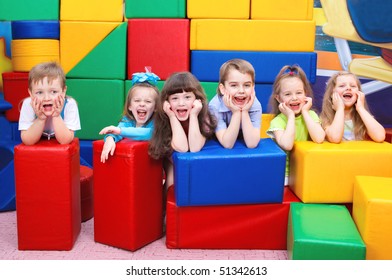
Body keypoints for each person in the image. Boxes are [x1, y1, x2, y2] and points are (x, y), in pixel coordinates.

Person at [148, 71, 217, 188]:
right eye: (174, 98)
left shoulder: (203, 115)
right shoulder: (165, 117)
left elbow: (194, 148)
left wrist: (194, 115)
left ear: (197, 99)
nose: (181, 103)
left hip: (197, 159)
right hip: (172, 158)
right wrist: (171, 116)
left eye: (187, 97)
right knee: (172, 183)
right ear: (167, 102)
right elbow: (182, 148)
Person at [267, 65, 325, 183]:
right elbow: (287, 145)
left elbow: (319, 138)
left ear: (305, 94)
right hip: (285, 175)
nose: (294, 98)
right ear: (278, 98)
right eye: (288, 94)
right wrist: (291, 116)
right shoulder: (277, 121)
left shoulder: (311, 115)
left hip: (306, 172)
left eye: (299, 93)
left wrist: (304, 111)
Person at [99, 71, 160, 163]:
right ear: (129, 106)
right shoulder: (127, 120)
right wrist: (110, 138)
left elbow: (148, 133)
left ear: (155, 107)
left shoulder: (156, 122)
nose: (142, 104)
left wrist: (119, 131)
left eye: (148, 101)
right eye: (137, 100)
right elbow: (118, 131)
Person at [18, 62, 80, 145]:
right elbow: (27, 141)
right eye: (40, 92)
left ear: (63, 91)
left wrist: (57, 116)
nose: (46, 98)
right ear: (31, 93)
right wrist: (40, 119)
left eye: (53, 92)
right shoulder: (28, 104)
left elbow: (65, 140)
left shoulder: (69, 104)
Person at [208, 58, 261, 149]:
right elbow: (228, 144)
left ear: (253, 87)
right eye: (234, 85)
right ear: (223, 89)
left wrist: (244, 111)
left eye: (247, 85)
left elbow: (252, 144)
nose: (241, 91)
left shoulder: (254, 104)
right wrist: (236, 113)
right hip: (218, 141)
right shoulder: (215, 106)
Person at [320, 71, 385, 143]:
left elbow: (380, 136)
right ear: (332, 94)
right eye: (342, 86)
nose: (348, 88)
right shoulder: (326, 119)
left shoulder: (363, 117)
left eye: (353, 86)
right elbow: (335, 138)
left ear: (359, 93)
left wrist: (361, 109)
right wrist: (340, 109)